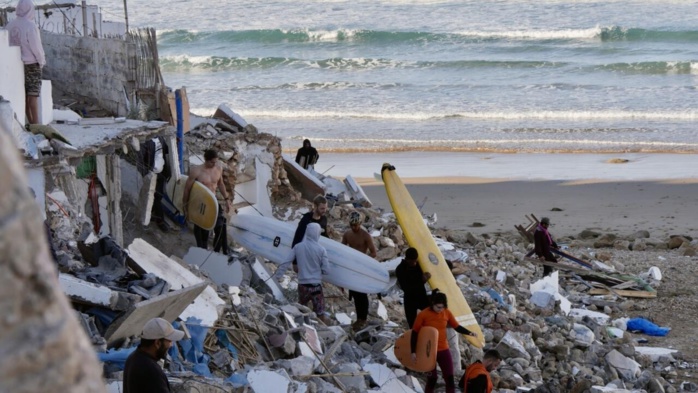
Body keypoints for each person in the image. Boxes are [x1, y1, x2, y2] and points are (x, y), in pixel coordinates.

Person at [411, 291, 478, 393]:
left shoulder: (446, 312)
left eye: (442, 307)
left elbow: (457, 327)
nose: (440, 310)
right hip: (428, 351)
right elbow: (414, 333)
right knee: (432, 378)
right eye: (438, 307)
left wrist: (469, 333)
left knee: (449, 378)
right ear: (432, 303)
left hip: (443, 349)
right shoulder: (423, 314)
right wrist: (413, 351)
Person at [182, 149, 232, 253]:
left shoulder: (218, 168)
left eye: (215, 162)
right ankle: (202, 250)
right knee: (202, 229)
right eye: (212, 162)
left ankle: (216, 251)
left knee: (220, 226)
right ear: (206, 159)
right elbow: (187, 189)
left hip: (213, 201)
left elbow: (221, 184)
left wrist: (227, 199)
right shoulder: (196, 171)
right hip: (200, 203)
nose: (214, 164)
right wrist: (185, 206)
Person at [6, 0, 46, 125]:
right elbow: (36, 48)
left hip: (16, 66)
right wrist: (41, 62)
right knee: (33, 95)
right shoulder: (30, 26)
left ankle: (29, 122)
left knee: (23, 95)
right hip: (32, 64)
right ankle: (36, 124)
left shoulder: (9, 25)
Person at [123, 317, 185, 393]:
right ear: (157, 343)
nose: (171, 345)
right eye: (169, 341)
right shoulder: (152, 371)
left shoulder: (134, 357)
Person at [289, 223, 331, 325]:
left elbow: (288, 261)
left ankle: (302, 327)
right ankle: (321, 331)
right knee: (320, 312)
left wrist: (277, 276)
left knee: (301, 309)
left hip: (302, 285)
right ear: (317, 234)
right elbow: (326, 270)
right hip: (316, 287)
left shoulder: (298, 247)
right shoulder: (321, 249)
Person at [341, 211, 377, 330]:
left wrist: (363, 260)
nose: (354, 227)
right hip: (352, 267)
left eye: (356, 225)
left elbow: (373, 252)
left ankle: (364, 318)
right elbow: (342, 250)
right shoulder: (347, 235)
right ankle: (358, 319)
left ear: (360, 223)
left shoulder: (365, 235)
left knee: (362, 293)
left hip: (362, 267)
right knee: (355, 294)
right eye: (352, 225)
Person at [395, 247, 431, 328]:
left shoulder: (419, 265)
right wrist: (421, 280)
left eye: (415, 260)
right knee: (412, 324)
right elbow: (406, 288)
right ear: (407, 260)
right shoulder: (400, 269)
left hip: (421, 296)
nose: (414, 263)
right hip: (410, 298)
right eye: (412, 261)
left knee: (430, 317)